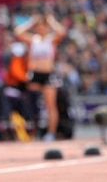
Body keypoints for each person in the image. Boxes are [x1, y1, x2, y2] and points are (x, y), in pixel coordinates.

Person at [14, 12, 67, 142]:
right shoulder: (33, 40)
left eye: (43, 26)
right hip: (34, 74)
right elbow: (18, 32)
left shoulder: (51, 40)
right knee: (31, 105)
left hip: (47, 75)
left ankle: (50, 133)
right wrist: (31, 22)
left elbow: (62, 32)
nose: (41, 29)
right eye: (39, 27)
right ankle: (32, 131)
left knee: (51, 105)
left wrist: (51, 21)